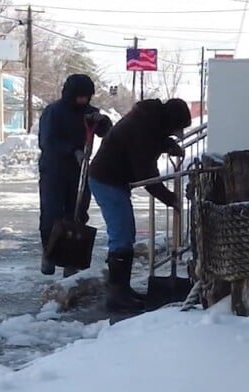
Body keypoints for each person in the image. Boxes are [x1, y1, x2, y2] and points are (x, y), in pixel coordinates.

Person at [87, 98, 191, 313]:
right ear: (170, 121)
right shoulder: (142, 128)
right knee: (121, 235)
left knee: (126, 233)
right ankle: (117, 295)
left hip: (115, 180)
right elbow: (146, 174)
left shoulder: (150, 121)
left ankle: (123, 289)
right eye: (177, 129)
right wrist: (170, 198)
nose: (178, 133)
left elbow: (153, 142)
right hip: (106, 180)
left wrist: (167, 145)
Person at [37, 74, 112, 276]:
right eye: (79, 96)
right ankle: (49, 253)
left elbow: (105, 132)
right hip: (54, 169)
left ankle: (71, 259)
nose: (82, 100)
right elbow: (47, 141)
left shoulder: (89, 112)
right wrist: (72, 151)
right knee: (52, 213)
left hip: (80, 170)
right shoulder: (54, 112)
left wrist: (103, 122)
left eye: (86, 97)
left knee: (77, 213)